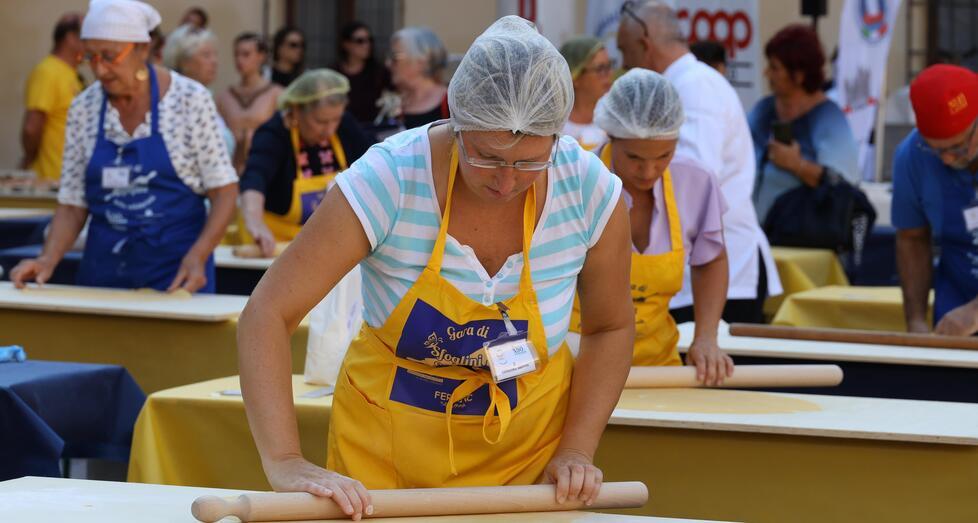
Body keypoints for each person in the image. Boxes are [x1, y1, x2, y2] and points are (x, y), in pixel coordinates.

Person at [237, 16, 633, 519]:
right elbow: (268, 312)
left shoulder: (589, 190)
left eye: (530, 162)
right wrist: (286, 461)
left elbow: (610, 327)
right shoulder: (391, 178)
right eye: (488, 157)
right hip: (384, 464)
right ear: (456, 122)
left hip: (526, 462)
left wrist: (576, 450)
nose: (507, 183)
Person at [10, 0, 238, 294]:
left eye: (110, 56)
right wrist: (47, 259)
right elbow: (72, 204)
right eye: (90, 57)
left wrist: (198, 256)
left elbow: (224, 192)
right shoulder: (84, 108)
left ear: (143, 49)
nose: (100, 69)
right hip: (104, 277)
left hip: (178, 278)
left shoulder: (189, 100)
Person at [617, 0, 780, 324]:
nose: (624, 63)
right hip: (697, 272)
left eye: (624, 51)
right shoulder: (688, 84)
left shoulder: (694, 88)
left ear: (644, 44)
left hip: (721, 277)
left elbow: (692, 185)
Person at [571, 68, 733, 384]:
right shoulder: (577, 181)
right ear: (610, 135)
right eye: (634, 158)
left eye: (663, 156)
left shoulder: (695, 182)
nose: (649, 171)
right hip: (577, 366)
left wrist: (706, 337)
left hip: (659, 371)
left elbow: (711, 260)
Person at [239, 69, 374, 253]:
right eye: (320, 121)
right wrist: (254, 221)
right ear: (296, 110)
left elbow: (374, 161)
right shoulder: (274, 135)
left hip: (324, 245)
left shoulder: (344, 126)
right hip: (274, 246)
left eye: (335, 120)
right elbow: (254, 178)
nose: (329, 130)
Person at [893, 64, 978, 336]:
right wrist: (916, 320)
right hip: (956, 301)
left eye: (958, 147)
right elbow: (912, 238)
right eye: (935, 149)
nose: (947, 159)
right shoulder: (912, 156)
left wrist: (975, 312)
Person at [749, 25, 859, 225]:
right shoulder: (762, 111)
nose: (766, 73)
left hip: (806, 248)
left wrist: (797, 165)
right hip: (756, 239)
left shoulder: (829, 118)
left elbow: (843, 189)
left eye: (774, 67)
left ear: (798, 75)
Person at [20, 13, 85, 182]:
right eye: (86, 35)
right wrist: (30, 158)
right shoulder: (48, 72)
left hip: (71, 181)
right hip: (51, 180)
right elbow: (31, 128)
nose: (92, 43)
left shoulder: (72, 74)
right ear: (70, 38)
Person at [161, 24, 235, 156]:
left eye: (215, 55)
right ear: (184, 62)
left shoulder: (206, 96)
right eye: (206, 55)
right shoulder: (176, 99)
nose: (214, 61)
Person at [216, 32, 283, 173]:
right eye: (236, 55)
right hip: (230, 168)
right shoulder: (223, 97)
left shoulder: (277, 94)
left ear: (261, 56)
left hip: (264, 168)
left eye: (246, 54)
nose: (240, 60)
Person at [388, 27, 449, 129]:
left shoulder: (450, 103)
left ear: (421, 61)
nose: (388, 63)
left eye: (395, 58)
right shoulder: (398, 105)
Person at [559, 36, 613, 150]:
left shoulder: (615, 118)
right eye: (600, 68)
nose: (609, 74)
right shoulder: (554, 124)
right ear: (575, 77)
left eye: (609, 66)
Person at [334, 21, 391, 125]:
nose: (366, 45)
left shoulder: (379, 72)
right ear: (346, 44)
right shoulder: (334, 73)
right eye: (360, 41)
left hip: (372, 130)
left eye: (369, 40)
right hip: (341, 129)